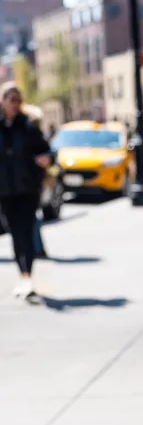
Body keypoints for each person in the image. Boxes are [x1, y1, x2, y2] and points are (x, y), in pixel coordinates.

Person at [0, 83, 52, 299]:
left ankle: (27, 276)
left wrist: (45, 159)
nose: (15, 104)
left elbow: (47, 151)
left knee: (27, 231)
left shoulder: (28, 126)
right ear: (2, 100)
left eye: (18, 100)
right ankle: (22, 275)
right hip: (4, 190)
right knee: (14, 233)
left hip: (28, 188)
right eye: (11, 100)